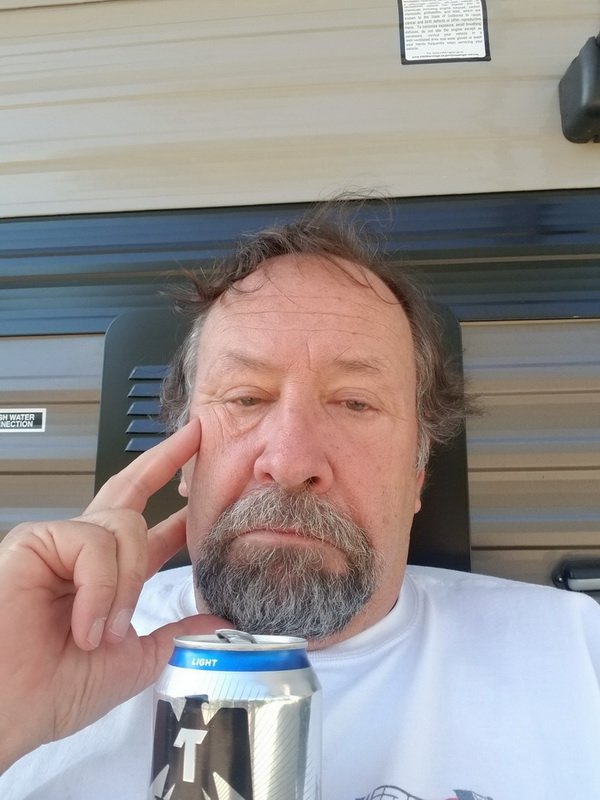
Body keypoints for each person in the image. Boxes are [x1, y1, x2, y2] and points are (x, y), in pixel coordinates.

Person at [1, 205, 599, 800]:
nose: (289, 462)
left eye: (355, 402)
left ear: (417, 475)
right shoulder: (44, 655)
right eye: (246, 397)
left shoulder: (579, 655)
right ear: (182, 459)